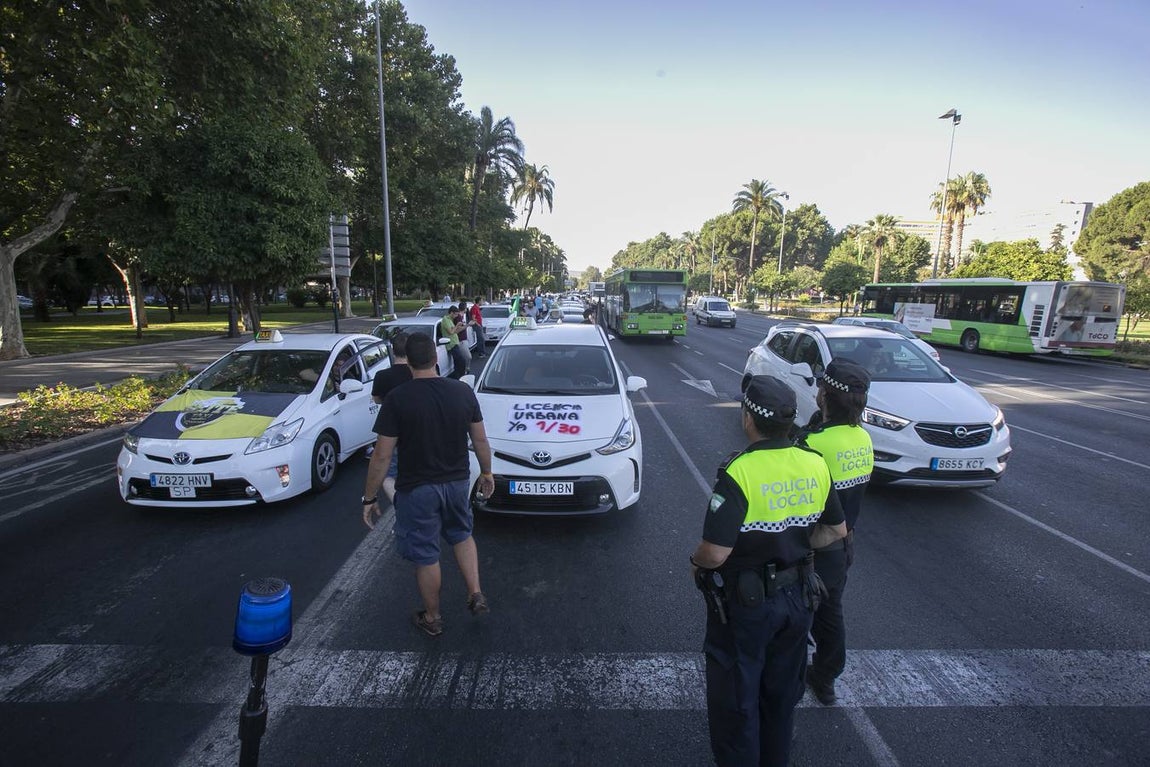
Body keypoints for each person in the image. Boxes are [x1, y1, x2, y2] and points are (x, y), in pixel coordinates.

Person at [690, 375, 846, 767]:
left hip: (748, 607)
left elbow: (714, 553)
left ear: (748, 419)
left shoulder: (740, 472)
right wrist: (793, 547)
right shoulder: (815, 463)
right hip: (799, 600)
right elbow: (835, 531)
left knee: (737, 702)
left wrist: (695, 564)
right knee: (780, 698)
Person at [362, 333, 496, 637]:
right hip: (458, 482)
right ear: (436, 358)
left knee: (426, 554)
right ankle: (475, 592)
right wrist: (487, 473)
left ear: (408, 361)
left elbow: (382, 456)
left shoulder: (397, 398)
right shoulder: (462, 393)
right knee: (462, 535)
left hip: (417, 488)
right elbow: (480, 440)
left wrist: (369, 498)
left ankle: (433, 617)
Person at [794, 359, 873, 707]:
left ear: (824, 394)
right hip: (843, 546)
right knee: (830, 617)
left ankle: (790, 685)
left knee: (796, 621)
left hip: (811, 550)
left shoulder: (813, 444)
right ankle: (825, 679)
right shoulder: (863, 437)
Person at [368, 331, 414, 501]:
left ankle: (399, 503)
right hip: (416, 429)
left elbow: (377, 399)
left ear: (393, 351)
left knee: (389, 472)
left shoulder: (382, 376)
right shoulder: (417, 373)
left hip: (391, 430)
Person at [439, 305, 468, 379]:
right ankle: (460, 376)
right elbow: (451, 332)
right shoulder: (445, 320)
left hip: (455, 343)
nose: (456, 316)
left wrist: (464, 326)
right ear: (451, 313)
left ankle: (458, 377)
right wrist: (457, 325)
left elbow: (455, 331)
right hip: (451, 344)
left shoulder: (450, 320)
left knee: (458, 362)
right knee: (461, 361)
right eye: (455, 314)